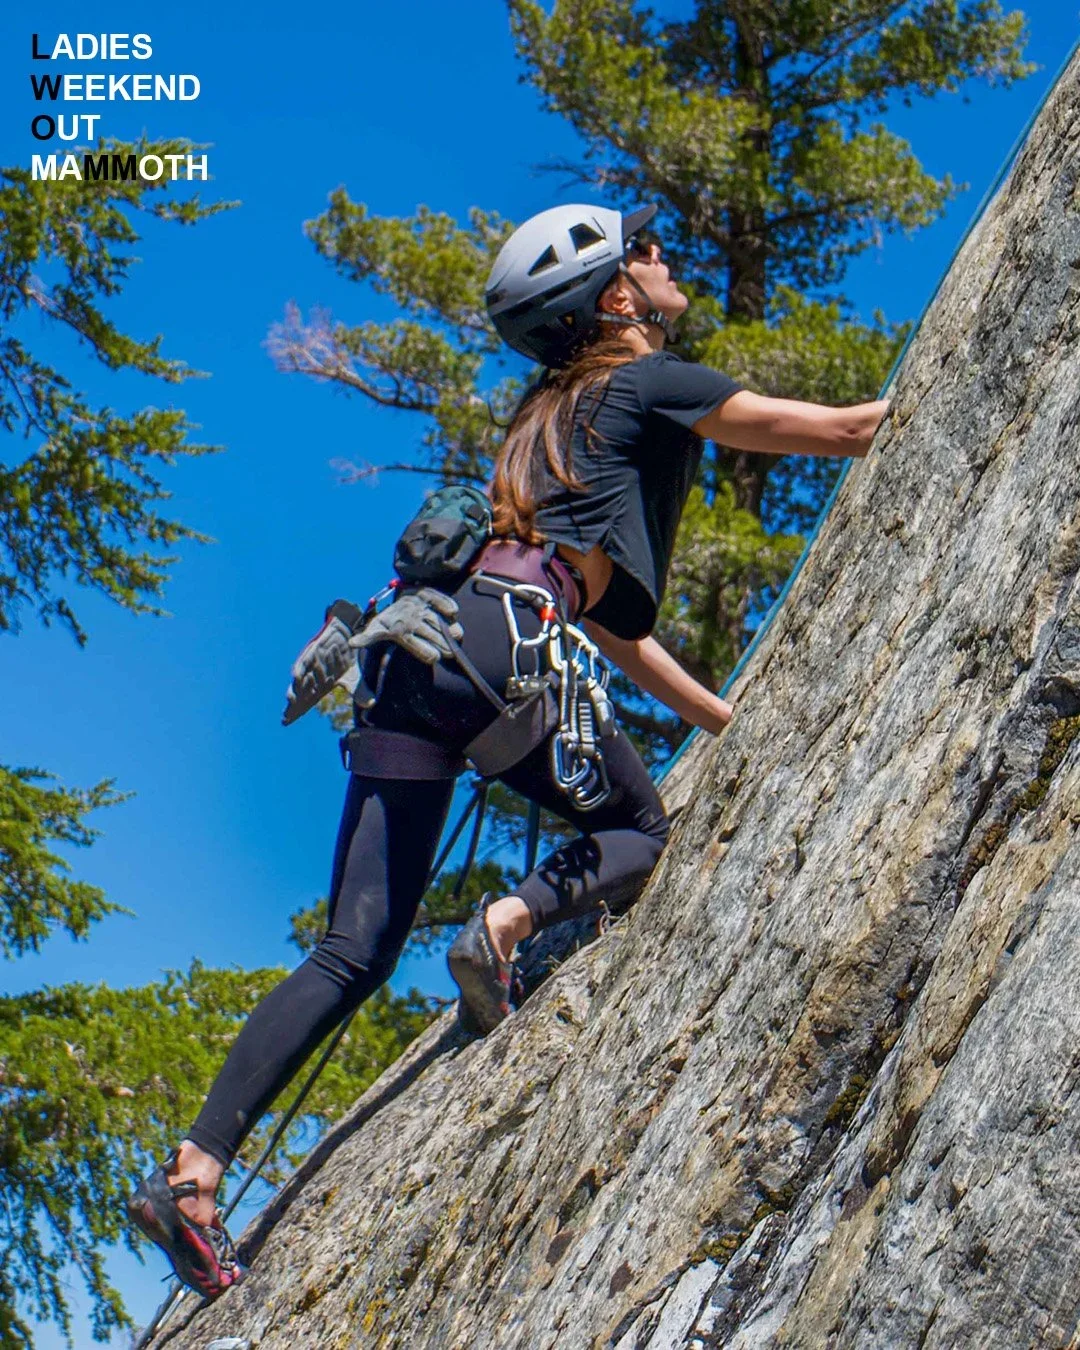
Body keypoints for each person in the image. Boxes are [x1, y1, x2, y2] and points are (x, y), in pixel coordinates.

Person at [126, 201, 888, 1299]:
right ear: (618, 297)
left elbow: (611, 628)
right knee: (635, 829)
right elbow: (844, 431)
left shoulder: (538, 424)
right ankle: (509, 922)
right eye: (646, 250)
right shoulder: (651, 383)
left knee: (353, 947)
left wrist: (723, 721)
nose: (664, 259)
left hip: (411, 651)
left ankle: (192, 1175)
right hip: (497, 654)